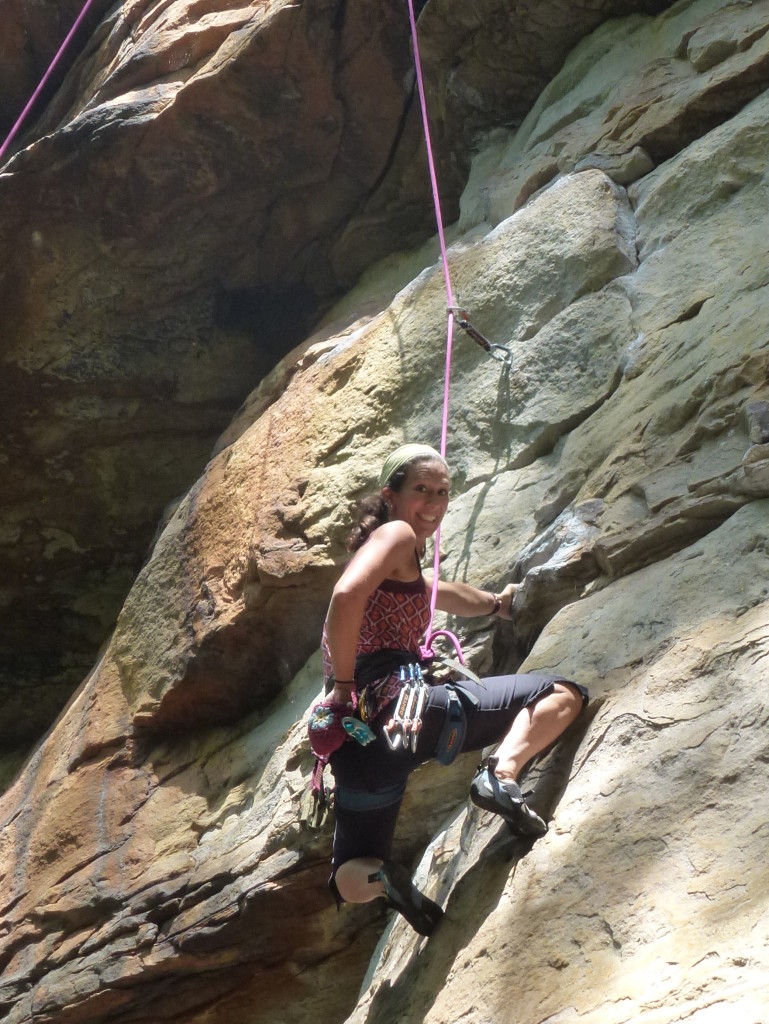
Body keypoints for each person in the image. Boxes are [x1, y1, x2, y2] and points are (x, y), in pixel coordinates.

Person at [308, 443, 587, 935]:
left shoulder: (395, 561)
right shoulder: (394, 534)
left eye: (443, 492)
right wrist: (345, 686)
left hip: (360, 745)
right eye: (421, 490)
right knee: (562, 693)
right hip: (407, 709)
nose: (434, 503)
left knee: (349, 874)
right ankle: (501, 777)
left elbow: (443, 592)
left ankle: (382, 878)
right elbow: (346, 596)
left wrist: (500, 604)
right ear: (389, 494)